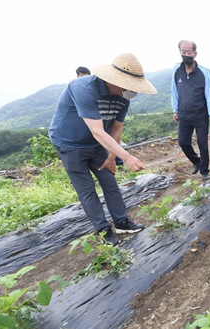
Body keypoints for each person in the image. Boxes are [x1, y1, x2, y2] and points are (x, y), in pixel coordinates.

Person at [49, 53, 157, 246]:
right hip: (70, 144)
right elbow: (98, 131)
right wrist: (127, 157)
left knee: (109, 181)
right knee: (87, 189)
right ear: (114, 80)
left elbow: (116, 129)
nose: (130, 91)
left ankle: (122, 221)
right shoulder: (83, 88)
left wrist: (111, 156)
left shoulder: (123, 98)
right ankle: (103, 230)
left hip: (99, 144)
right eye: (127, 85)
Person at [171, 40, 210, 180]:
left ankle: (205, 171)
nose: (186, 55)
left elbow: (209, 94)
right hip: (184, 114)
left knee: (202, 143)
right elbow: (174, 91)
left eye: (189, 52)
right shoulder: (176, 70)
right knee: (183, 142)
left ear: (195, 53)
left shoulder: (203, 72)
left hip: (200, 114)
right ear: (180, 52)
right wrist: (175, 110)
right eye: (183, 52)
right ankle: (196, 161)